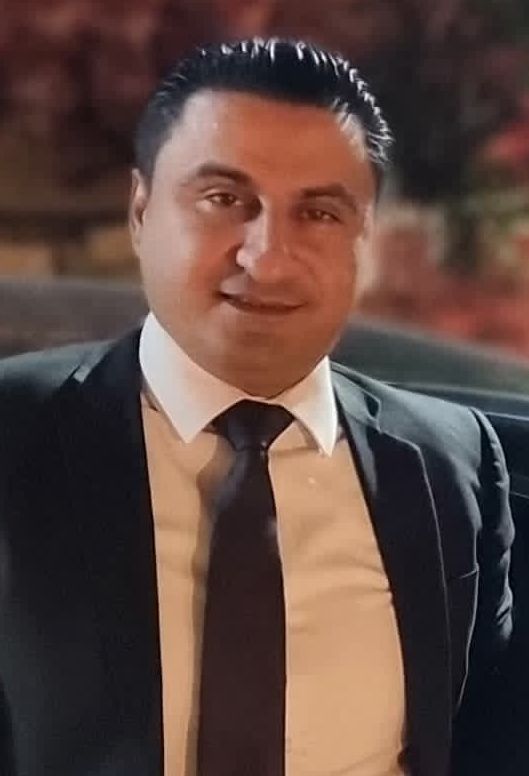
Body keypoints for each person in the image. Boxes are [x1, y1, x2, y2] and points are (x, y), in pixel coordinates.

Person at [0, 38, 514, 776]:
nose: (267, 258)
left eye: (320, 212)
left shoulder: (450, 461)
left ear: (366, 237)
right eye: (225, 200)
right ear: (141, 211)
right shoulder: (15, 434)